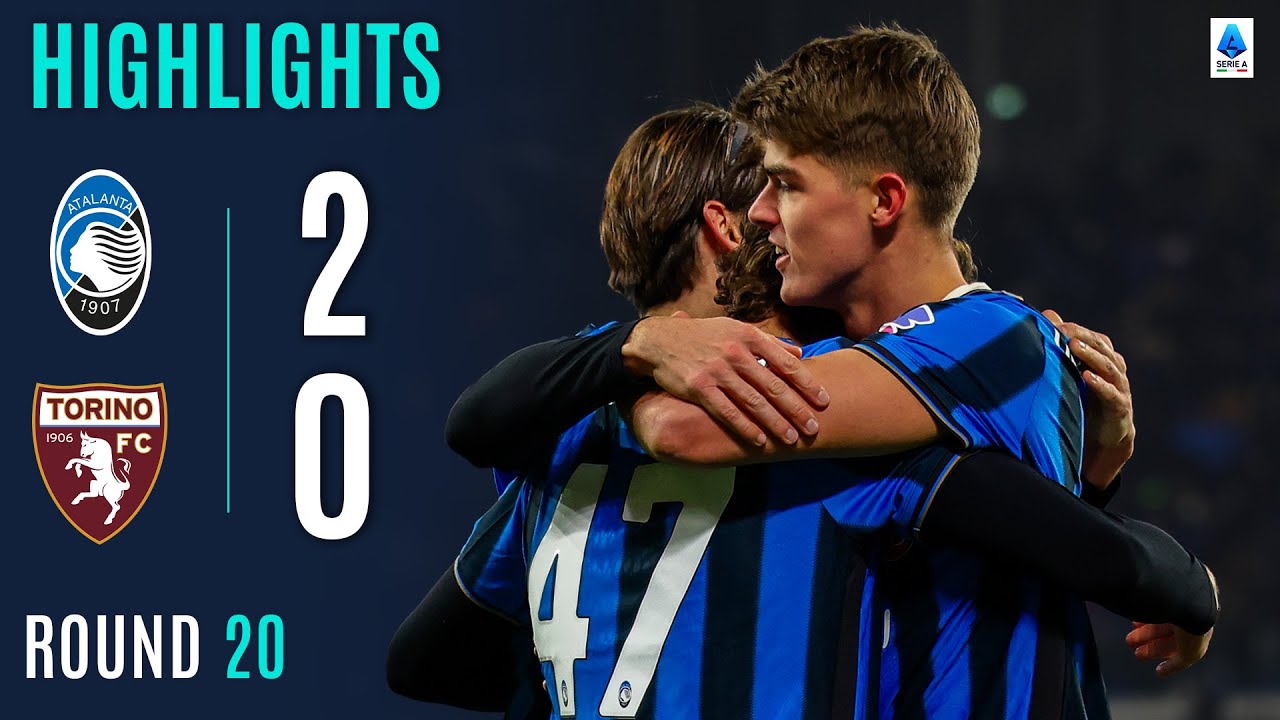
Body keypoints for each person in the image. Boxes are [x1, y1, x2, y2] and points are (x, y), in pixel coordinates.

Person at [442, 27, 1219, 718]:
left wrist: (1184, 581)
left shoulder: (996, 335)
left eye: (785, 184)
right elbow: (1034, 527)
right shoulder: (871, 406)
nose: (761, 213)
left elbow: (680, 429)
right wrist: (1127, 519)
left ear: (884, 201)